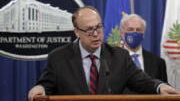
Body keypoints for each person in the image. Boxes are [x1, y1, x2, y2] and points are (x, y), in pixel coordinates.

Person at [28, 6, 179, 101]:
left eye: (99, 27)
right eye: (89, 29)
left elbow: (142, 81)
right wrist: (39, 89)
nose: (96, 34)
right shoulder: (59, 57)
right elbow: (45, 86)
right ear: (77, 32)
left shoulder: (119, 56)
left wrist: (159, 87)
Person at [119, 14, 167, 94]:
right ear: (122, 33)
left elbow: (163, 92)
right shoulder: (113, 60)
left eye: (138, 30)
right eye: (130, 29)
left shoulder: (158, 62)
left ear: (143, 33)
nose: (135, 33)